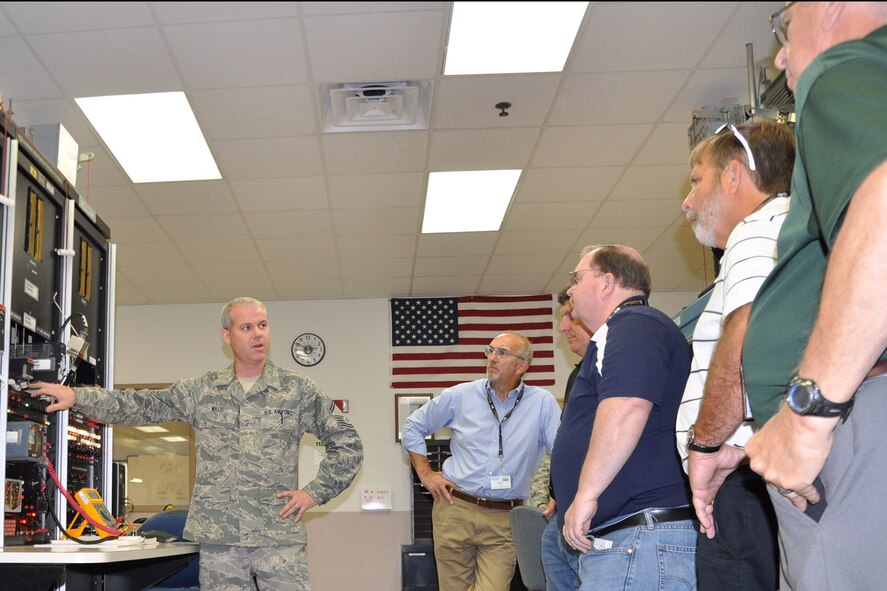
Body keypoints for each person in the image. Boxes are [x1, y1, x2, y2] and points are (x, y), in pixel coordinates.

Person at [30, 297, 364, 590]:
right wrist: (77, 396)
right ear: (227, 336)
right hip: (220, 544)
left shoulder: (298, 390)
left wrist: (313, 492)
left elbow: (348, 444)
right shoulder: (202, 390)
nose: (258, 333)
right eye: (247, 327)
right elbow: (142, 405)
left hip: (277, 539)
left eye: (262, 325)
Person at [741, 3, 887, 590]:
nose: (780, 55)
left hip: (852, 421)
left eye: (784, 25)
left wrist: (805, 420)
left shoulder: (845, 69)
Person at [674, 119, 794, 590]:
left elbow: (744, 336)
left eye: (696, 179)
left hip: (740, 475)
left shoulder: (756, 228)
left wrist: (705, 446)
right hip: (758, 461)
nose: (687, 201)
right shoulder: (789, 228)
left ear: (733, 176)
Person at [548, 244, 695, 590]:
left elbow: (628, 407)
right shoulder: (622, 332)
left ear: (606, 282)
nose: (570, 289)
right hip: (632, 539)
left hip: (640, 538)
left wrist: (585, 496)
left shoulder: (633, 324)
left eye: (576, 278)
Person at [401, 331, 560, 591]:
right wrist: (425, 473)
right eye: (490, 351)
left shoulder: (542, 403)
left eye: (502, 353)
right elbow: (412, 427)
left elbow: (561, 451)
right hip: (455, 507)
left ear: (522, 366)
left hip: (505, 516)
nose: (492, 358)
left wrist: (561, 492)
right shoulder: (461, 396)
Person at [529, 287, 593, 511]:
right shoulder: (578, 374)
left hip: (593, 505)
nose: (562, 327)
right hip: (566, 502)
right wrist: (557, 492)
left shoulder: (610, 368)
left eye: (570, 316)